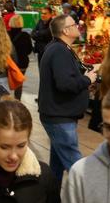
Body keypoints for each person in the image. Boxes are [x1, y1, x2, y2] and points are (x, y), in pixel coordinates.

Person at [39, 14, 97, 181]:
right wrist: (87, 80)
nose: (77, 26)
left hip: (60, 114)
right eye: (74, 24)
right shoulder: (58, 50)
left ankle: (52, 199)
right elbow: (65, 84)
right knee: (75, 163)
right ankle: (90, 198)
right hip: (59, 116)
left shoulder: (60, 48)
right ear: (65, 30)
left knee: (57, 164)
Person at [8, 15, 34, 101]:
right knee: (19, 83)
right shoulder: (25, 35)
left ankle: (6, 100)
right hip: (22, 64)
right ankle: (17, 100)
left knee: (7, 81)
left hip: (9, 63)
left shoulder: (6, 35)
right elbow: (29, 50)